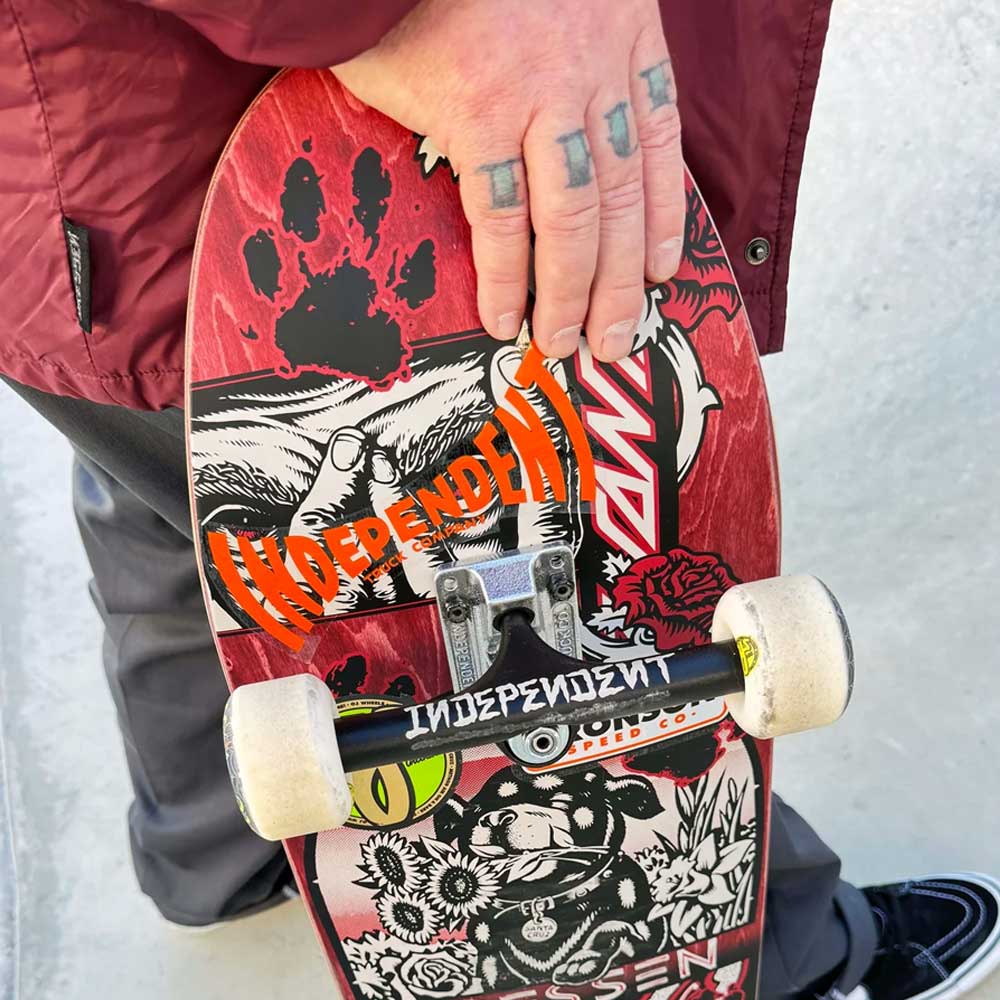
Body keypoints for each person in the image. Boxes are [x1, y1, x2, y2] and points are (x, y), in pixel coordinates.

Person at [1, 2, 997, 999]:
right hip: (401, 111)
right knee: (513, 588)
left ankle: (214, 846)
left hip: (90, 162)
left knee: (194, 478)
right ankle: (783, 960)